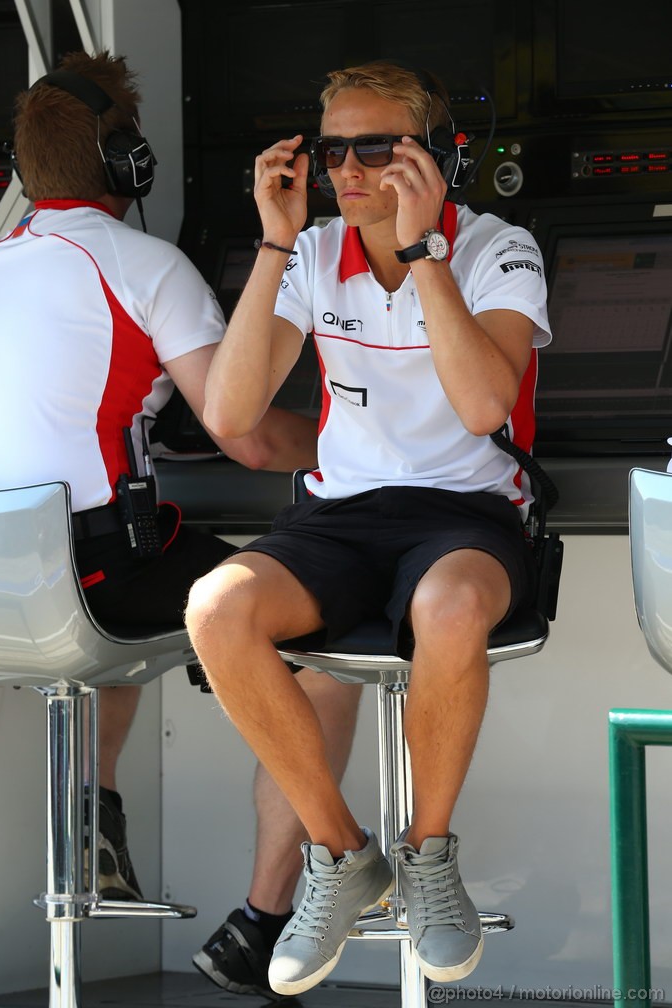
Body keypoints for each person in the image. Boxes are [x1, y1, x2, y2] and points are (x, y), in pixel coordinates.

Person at [0, 49, 362, 985]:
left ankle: (96, 809)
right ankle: (263, 924)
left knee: (127, 606)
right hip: (88, 574)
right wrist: (363, 432)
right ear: (132, 166)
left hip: (11, 588)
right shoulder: (144, 262)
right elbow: (251, 439)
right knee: (324, 648)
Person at [185, 60, 551, 997]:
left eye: (376, 147)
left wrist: (425, 251)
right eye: (331, 149)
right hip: (340, 517)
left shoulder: (497, 247)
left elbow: (480, 408)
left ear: (432, 160)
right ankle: (341, 855)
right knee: (215, 607)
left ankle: (427, 856)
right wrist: (271, 246)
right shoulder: (307, 253)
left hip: (465, 510)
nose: (347, 169)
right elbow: (230, 414)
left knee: (453, 602)